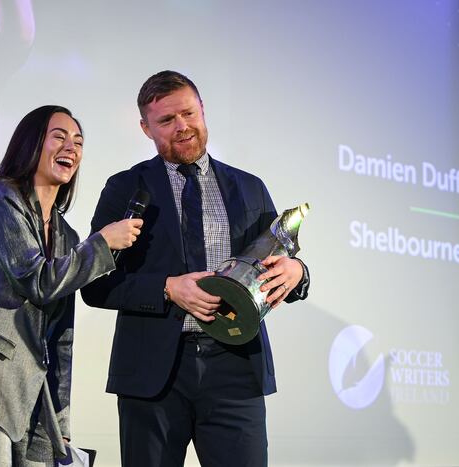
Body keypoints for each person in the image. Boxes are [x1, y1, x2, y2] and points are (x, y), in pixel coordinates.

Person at [81, 71, 310, 466]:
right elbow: (95, 285)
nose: (182, 126)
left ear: (203, 110)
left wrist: (297, 272)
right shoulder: (123, 188)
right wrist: (168, 288)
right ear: (145, 128)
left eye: (188, 113)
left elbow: (279, 260)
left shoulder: (250, 187)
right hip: (153, 376)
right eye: (166, 121)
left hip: (236, 370)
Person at [0, 106, 142, 465]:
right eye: (59, 136)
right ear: (31, 144)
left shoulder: (68, 235)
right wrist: (102, 244)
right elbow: (36, 280)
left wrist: (62, 424)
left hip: (35, 402)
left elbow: (61, 336)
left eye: (78, 141)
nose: (71, 146)